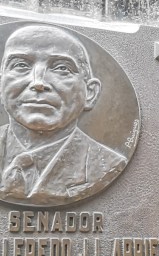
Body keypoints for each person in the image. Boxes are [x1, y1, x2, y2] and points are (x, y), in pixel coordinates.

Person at [0, 24, 127, 204]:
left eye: (61, 68)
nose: (38, 82)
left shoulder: (108, 164)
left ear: (90, 93)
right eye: (21, 65)